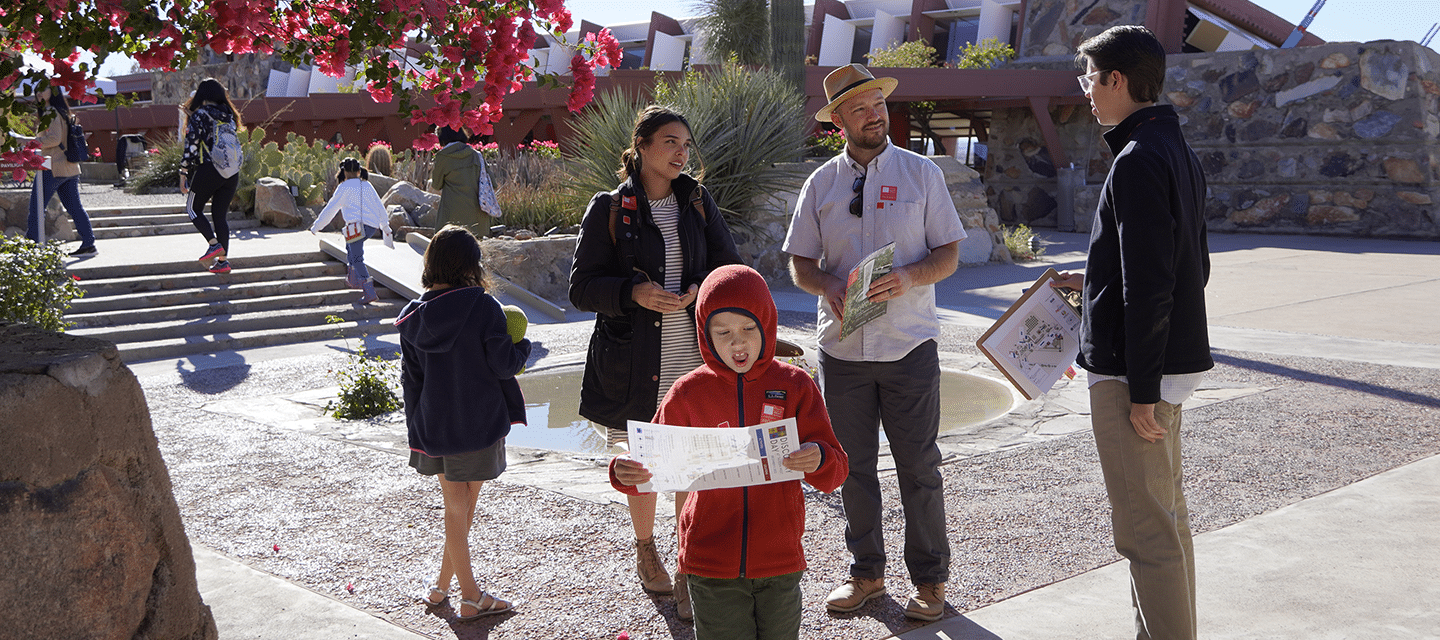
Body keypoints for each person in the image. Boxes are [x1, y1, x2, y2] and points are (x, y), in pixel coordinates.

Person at [782, 63, 967, 622]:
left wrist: (909, 277)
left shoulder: (922, 174)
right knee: (851, 469)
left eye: (878, 104)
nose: (875, 115)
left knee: (919, 467)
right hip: (841, 352)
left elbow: (949, 255)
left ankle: (930, 583)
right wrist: (829, 285)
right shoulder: (821, 184)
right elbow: (799, 265)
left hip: (910, 346)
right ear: (838, 120)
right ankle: (866, 575)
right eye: (860, 108)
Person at [1049, 25, 1212, 640]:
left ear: (1117, 79)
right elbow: (1189, 260)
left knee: (1146, 533)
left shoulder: (1139, 157)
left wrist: (1142, 386)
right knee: (1164, 522)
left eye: (1090, 79)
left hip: (1134, 373)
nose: (1087, 93)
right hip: (1162, 364)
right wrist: (1091, 276)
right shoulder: (1172, 147)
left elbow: (1152, 281)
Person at [610, 264, 848, 640]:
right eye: (723, 333)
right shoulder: (688, 392)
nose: (738, 343)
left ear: (767, 325)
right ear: (704, 334)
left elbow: (836, 470)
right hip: (709, 563)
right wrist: (625, 472)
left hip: (779, 559)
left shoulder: (795, 385)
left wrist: (818, 457)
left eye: (749, 330)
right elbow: (648, 464)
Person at [568, 105, 741, 620]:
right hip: (631, 363)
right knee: (642, 468)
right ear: (641, 145)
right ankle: (647, 547)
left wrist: (701, 288)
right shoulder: (608, 209)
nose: (681, 152)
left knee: (690, 465)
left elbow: (730, 270)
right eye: (670, 141)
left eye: (686, 144)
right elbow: (581, 288)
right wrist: (633, 292)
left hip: (692, 360)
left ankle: (688, 564)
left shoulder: (698, 203)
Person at [396, 224, 531, 621]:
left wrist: (416, 430)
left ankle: (441, 587)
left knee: (458, 509)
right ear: (471, 265)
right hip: (478, 425)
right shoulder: (483, 306)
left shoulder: (412, 315)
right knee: (461, 509)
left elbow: (411, 381)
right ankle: (471, 597)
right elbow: (504, 365)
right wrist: (523, 346)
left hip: (432, 427)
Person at [310, 157, 395, 304]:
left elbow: (331, 209)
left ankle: (369, 292)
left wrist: (317, 226)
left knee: (357, 258)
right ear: (358, 170)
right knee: (350, 247)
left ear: (343, 171)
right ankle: (353, 279)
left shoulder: (343, 188)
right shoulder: (366, 184)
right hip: (370, 227)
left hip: (356, 228)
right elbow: (379, 205)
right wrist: (385, 226)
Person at [179, 77, 242, 274]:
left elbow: (191, 147)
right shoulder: (230, 116)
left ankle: (213, 244)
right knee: (220, 216)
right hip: (232, 172)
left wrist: (183, 173)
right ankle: (223, 262)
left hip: (210, 168)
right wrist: (193, 115)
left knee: (193, 208)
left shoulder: (200, 115)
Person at [25, 85, 96, 256]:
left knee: (36, 206)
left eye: (44, 89)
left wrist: (29, 141)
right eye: (37, 90)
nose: (39, 92)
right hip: (70, 167)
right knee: (75, 207)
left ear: (54, 92)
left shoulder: (51, 112)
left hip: (53, 167)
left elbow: (54, 139)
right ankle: (89, 244)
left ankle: (32, 246)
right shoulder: (63, 112)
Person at [430, 127, 485, 231]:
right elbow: (493, 183)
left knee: (450, 243)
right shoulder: (476, 155)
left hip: (451, 215)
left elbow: (436, 185)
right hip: (477, 215)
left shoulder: (442, 156)